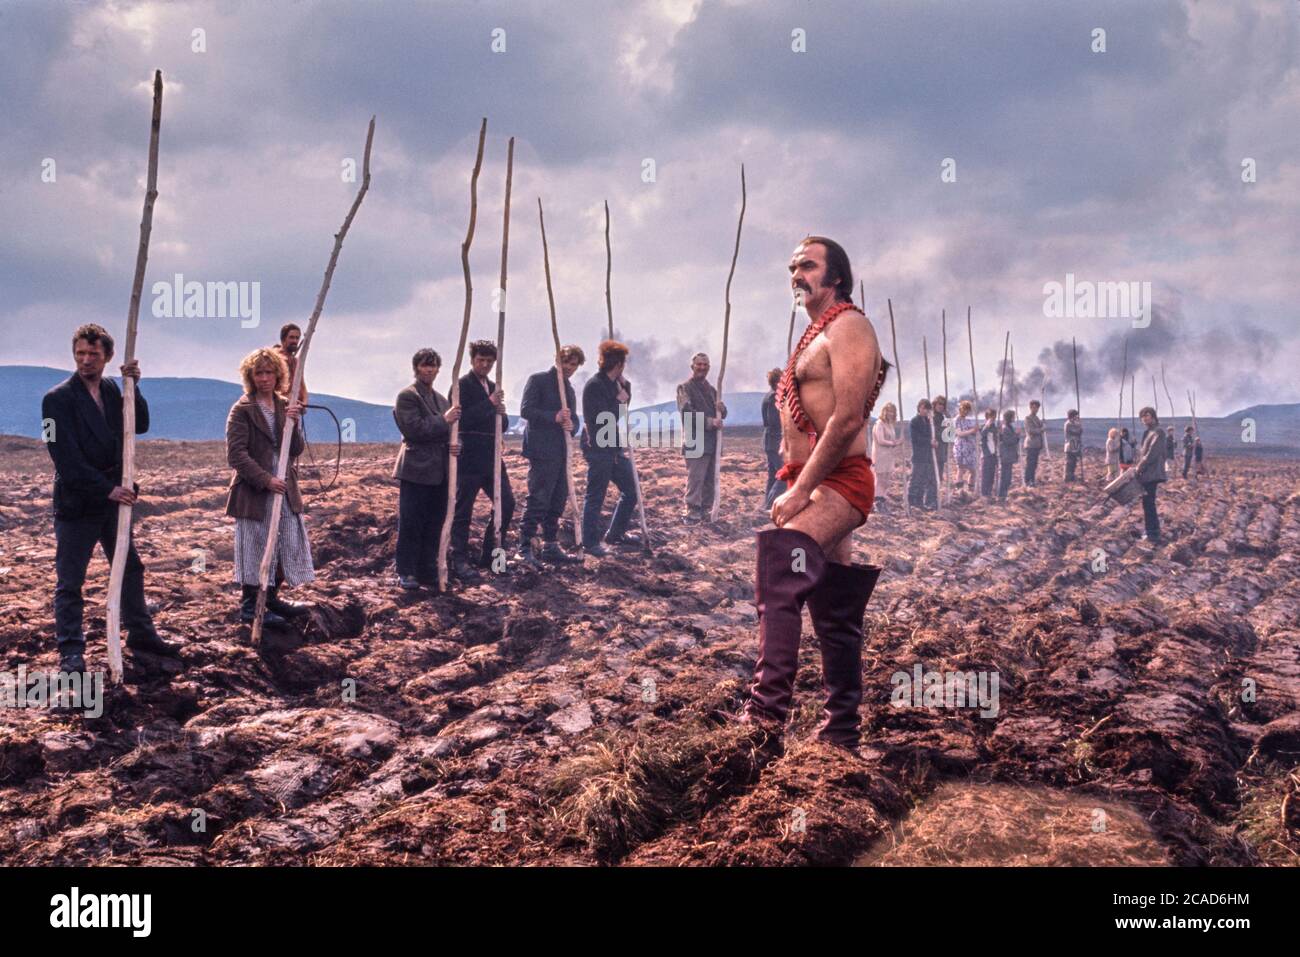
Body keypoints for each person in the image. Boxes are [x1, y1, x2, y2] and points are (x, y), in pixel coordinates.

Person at [741, 235, 888, 753]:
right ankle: (842, 730)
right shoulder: (813, 334)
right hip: (809, 476)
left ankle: (763, 718)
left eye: (808, 265)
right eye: (792, 267)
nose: (796, 275)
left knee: (781, 567)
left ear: (836, 277)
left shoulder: (850, 326)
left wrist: (802, 489)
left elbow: (849, 417)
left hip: (839, 479)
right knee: (835, 601)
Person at [42, 323, 178, 673]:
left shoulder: (112, 389)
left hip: (114, 502)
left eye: (93, 354)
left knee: (130, 567)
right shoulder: (55, 400)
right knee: (71, 579)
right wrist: (106, 489)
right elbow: (63, 456)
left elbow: (140, 424)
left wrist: (134, 386)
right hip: (78, 504)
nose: (86, 360)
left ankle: (141, 633)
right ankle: (71, 650)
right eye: (80, 354)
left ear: (108, 357)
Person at [226, 348, 313, 626]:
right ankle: (251, 606)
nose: (264, 378)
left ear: (278, 375)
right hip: (254, 492)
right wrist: (265, 480)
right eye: (258, 373)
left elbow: (295, 449)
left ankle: (272, 597)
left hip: (285, 488)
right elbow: (236, 454)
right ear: (251, 377)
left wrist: (294, 423)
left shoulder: (284, 405)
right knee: (255, 545)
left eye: (269, 372)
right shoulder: (243, 409)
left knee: (286, 540)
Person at [391, 349, 461, 590]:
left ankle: (427, 569)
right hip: (416, 469)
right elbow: (414, 429)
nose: (429, 370)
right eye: (424, 365)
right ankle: (406, 571)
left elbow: (450, 432)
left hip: (440, 470)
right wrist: (444, 420)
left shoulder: (442, 400)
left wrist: (455, 444)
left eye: (432, 366)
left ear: (438, 369)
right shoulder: (407, 397)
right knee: (412, 521)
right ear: (416, 368)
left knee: (434, 521)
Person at [450, 340, 514, 581]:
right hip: (469, 456)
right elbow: (461, 420)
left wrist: (500, 412)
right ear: (472, 359)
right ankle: (459, 560)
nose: (485, 365)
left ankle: (491, 555)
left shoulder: (493, 386)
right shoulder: (461, 385)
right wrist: (489, 404)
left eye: (489, 361)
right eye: (481, 360)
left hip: (491, 456)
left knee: (506, 503)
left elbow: (503, 424)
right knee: (463, 509)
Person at [518, 345, 584, 566]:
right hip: (541, 450)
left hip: (561, 451)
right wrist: (553, 417)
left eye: (573, 364)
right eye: (566, 362)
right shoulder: (538, 381)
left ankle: (550, 545)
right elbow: (526, 410)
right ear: (557, 360)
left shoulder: (570, 390)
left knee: (557, 498)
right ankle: (524, 546)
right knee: (538, 498)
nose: (569, 368)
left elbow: (574, 420)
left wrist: (570, 425)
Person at [581, 340, 642, 556]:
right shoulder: (595, 386)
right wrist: (620, 400)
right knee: (596, 494)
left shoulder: (613, 384)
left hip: (613, 447)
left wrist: (626, 390)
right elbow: (606, 418)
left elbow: (622, 413)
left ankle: (615, 534)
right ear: (619, 365)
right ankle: (589, 542)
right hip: (598, 447)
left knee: (631, 489)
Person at [676, 353, 727, 524]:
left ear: (709, 368)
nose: (702, 367)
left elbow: (720, 414)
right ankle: (692, 511)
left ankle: (705, 510)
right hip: (696, 443)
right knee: (696, 478)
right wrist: (710, 422)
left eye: (705, 365)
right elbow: (687, 414)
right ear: (692, 367)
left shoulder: (712, 390)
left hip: (712, 443)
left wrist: (722, 409)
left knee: (710, 480)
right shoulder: (684, 388)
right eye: (699, 364)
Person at [1134, 407, 1166, 543]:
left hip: (1152, 472)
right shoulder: (1148, 432)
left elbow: (1151, 454)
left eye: (1147, 415)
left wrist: (1139, 467)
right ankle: (1151, 531)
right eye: (1142, 417)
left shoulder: (1158, 432)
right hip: (1147, 472)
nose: (1145, 419)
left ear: (1153, 416)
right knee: (1147, 503)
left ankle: (1153, 534)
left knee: (1149, 502)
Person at [870, 402, 904, 505]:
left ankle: (883, 498)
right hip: (880, 455)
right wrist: (895, 443)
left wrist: (897, 442)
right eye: (888, 411)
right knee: (880, 478)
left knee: (887, 478)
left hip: (889, 455)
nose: (890, 413)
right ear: (884, 411)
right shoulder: (879, 424)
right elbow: (881, 440)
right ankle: (877, 500)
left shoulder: (890, 424)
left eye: (892, 412)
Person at [907, 398, 938, 510]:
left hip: (928, 456)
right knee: (915, 478)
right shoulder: (914, 421)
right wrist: (929, 441)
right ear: (919, 407)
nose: (925, 411)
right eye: (924, 408)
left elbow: (932, 436)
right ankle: (911, 501)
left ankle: (919, 501)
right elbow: (915, 438)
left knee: (924, 479)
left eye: (927, 409)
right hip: (919, 455)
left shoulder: (929, 422)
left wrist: (933, 442)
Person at [761, 368, 785, 509]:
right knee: (783, 474)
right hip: (774, 441)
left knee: (772, 474)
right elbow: (773, 422)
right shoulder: (773, 398)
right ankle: (770, 504)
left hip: (770, 440)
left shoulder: (770, 396)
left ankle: (766, 505)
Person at [274, 323, 310, 406]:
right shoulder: (275, 359)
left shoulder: (296, 362)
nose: (295, 341)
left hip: (294, 409)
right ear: (283, 339)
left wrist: (304, 404)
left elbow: (302, 386)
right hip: (278, 408)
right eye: (291, 337)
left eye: (297, 338)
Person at [952, 399, 978, 493]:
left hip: (970, 448)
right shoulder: (956, 420)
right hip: (961, 448)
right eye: (964, 409)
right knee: (961, 469)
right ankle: (960, 491)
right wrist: (972, 431)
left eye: (968, 410)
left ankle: (971, 490)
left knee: (973, 470)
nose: (966, 412)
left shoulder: (968, 421)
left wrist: (975, 431)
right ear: (960, 409)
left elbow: (973, 432)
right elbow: (959, 433)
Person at [997, 409, 1019, 501]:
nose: (1014, 418)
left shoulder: (1008, 427)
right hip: (1006, 455)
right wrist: (1017, 436)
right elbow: (1008, 441)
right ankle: (1002, 495)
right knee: (1005, 476)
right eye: (1013, 416)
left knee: (1007, 475)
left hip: (1008, 455)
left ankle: (1004, 494)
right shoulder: (1005, 428)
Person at [1022, 399, 1044, 487]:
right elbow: (1031, 431)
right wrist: (1041, 429)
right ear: (1030, 407)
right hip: (1031, 444)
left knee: (1034, 464)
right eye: (1034, 407)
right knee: (1030, 464)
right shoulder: (1028, 418)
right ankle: (1028, 481)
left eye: (1037, 408)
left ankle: (1032, 480)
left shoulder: (1037, 418)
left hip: (1036, 445)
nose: (1035, 409)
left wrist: (1042, 425)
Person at [979, 409, 999, 497]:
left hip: (993, 454)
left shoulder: (994, 427)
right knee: (985, 475)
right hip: (986, 454)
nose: (993, 418)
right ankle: (984, 494)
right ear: (987, 417)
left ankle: (989, 493)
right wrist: (987, 425)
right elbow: (982, 435)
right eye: (992, 416)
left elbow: (997, 439)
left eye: (994, 416)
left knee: (991, 475)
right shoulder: (983, 426)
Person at [931, 395, 949, 491]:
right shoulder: (931, 417)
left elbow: (950, 436)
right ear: (934, 404)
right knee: (932, 476)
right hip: (933, 450)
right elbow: (936, 434)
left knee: (939, 476)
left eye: (943, 404)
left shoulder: (943, 417)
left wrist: (949, 419)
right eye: (939, 404)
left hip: (941, 450)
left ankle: (935, 497)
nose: (941, 406)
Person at [1064, 410, 1083, 481]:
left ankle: (1071, 476)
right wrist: (1079, 425)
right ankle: (1067, 477)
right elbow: (1076, 432)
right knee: (1069, 463)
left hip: (1075, 446)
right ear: (1072, 416)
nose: (1076, 417)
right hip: (1070, 446)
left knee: (1074, 463)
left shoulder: (1075, 423)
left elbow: (1080, 432)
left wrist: (1079, 425)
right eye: (1075, 416)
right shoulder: (1068, 424)